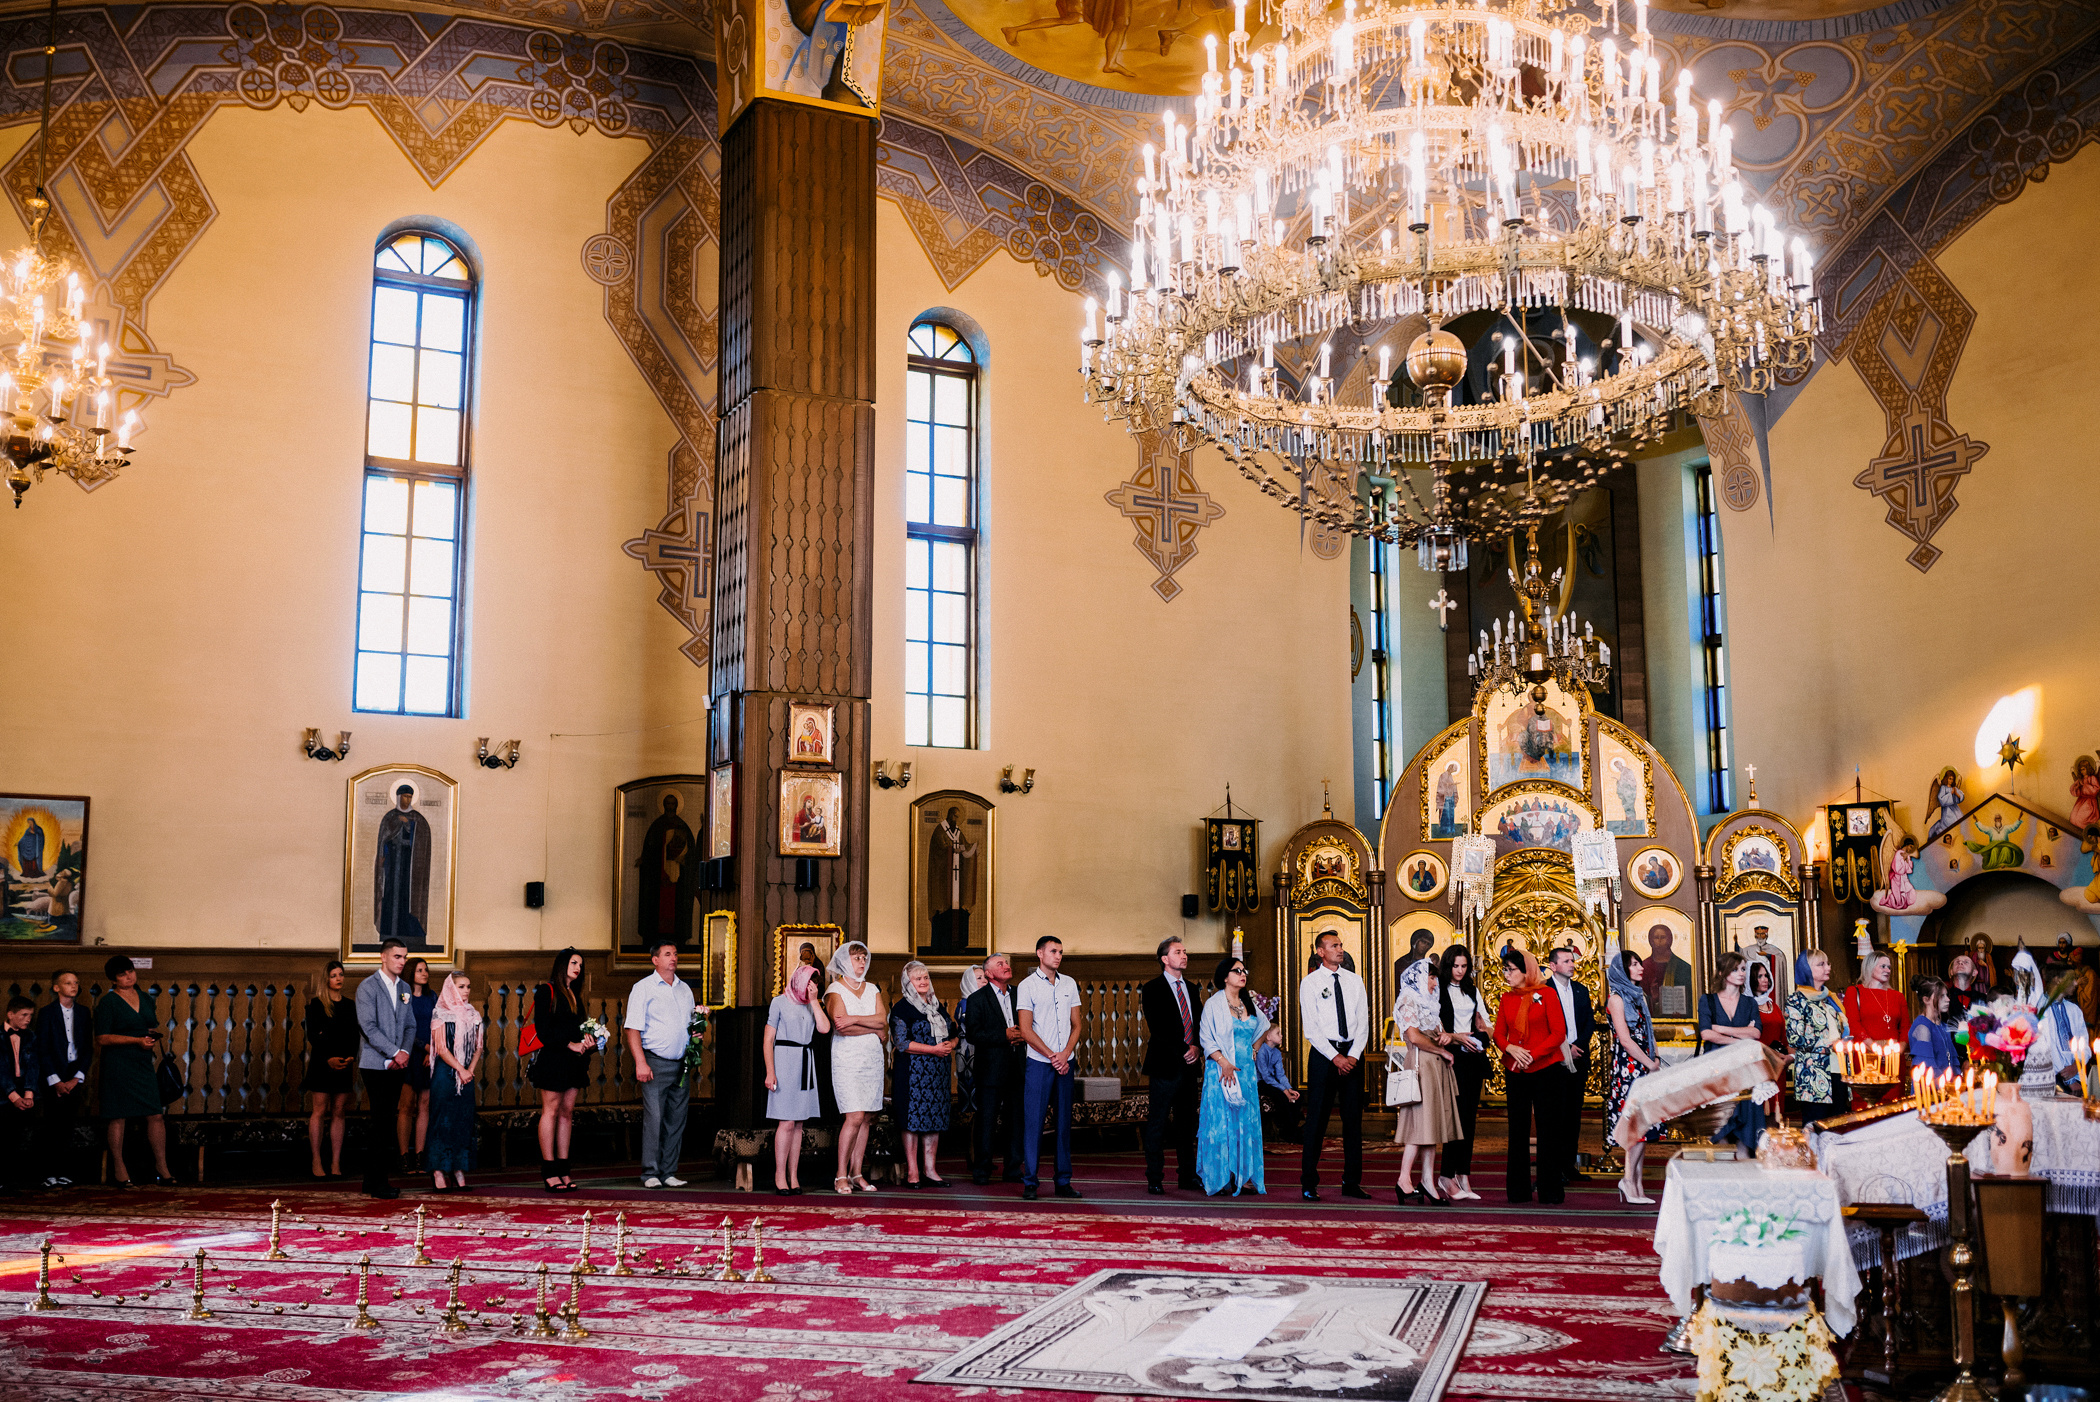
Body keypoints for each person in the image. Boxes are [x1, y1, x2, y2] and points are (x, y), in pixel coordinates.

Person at [1297, 930, 1370, 1202]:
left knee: (1353, 1122)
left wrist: (1352, 1055)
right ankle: (1309, 1183)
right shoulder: (1311, 982)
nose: (1340, 949)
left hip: (1352, 1054)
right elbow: (1312, 1028)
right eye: (1334, 946)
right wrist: (1335, 1057)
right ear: (1320, 951)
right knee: (1316, 1120)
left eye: (1341, 945)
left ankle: (1351, 1182)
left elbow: (1363, 1022)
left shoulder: (1355, 981)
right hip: (1323, 1056)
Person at [1493, 945, 1567, 1205]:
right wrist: (1511, 1048)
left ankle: (1550, 1191)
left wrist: (1532, 1054)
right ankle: (1518, 1191)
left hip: (1545, 1069)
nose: (1506, 974)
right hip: (1515, 1071)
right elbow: (1499, 1033)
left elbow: (1559, 1034)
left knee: (1548, 1130)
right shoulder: (1506, 998)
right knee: (1517, 1130)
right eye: (1504, 969)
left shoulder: (1547, 994)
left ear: (1527, 972)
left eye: (1510, 970)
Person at [95, 955, 174, 1188]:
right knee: (118, 1116)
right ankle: (120, 1170)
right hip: (118, 1062)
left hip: (142, 1061)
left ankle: (163, 1168)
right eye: (122, 974)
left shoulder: (144, 997)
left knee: (155, 1114)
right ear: (114, 979)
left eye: (130, 971)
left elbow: (151, 1024)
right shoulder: (108, 1002)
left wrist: (150, 1036)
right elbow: (102, 1037)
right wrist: (136, 1040)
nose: (128, 976)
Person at [1016, 934, 1085, 1201]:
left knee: (1064, 1123)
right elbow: (1025, 1029)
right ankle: (1030, 1181)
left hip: (1065, 1062)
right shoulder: (1027, 986)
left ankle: (1063, 1181)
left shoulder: (1069, 983)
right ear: (1039, 954)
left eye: (1061, 952)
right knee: (1033, 1123)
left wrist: (1065, 1054)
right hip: (1039, 1063)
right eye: (1053, 951)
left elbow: (1076, 1024)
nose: (1058, 956)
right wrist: (1052, 1056)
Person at [625, 937, 697, 1189]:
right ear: (655, 960)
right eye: (667, 954)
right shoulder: (643, 988)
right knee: (654, 1119)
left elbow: (690, 1024)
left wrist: (696, 1032)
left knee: (676, 1118)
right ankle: (650, 1172)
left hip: (681, 1063)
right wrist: (640, 1063)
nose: (673, 958)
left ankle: (669, 1171)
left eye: (675, 953)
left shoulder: (684, 989)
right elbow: (632, 1028)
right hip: (654, 1062)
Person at [1195, 955, 1267, 1196]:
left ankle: (1244, 1176)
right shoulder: (1214, 1004)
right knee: (1222, 1124)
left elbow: (1264, 1027)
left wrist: (1255, 1049)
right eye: (1237, 971)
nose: (1242, 974)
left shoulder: (1249, 1002)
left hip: (1246, 1073)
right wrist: (1223, 1062)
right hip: (1222, 1072)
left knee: (1245, 1123)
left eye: (1244, 970)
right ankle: (1221, 1175)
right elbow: (1206, 1038)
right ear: (1225, 977)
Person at [1391, 957, 1460, 1205]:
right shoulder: (1408, 1000)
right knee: (1418, 1127)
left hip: (1434, 1067)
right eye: (1431, 978)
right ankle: (1403, 1180)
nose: (1434, 983)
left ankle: (1428, 1183)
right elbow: (1413, 1036)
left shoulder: (1430, 1003)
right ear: (1419, 977)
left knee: (1432, 1129)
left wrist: (1445, 1039)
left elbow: (1435, 1032)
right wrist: (1441, 1050)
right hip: (1421, 1065)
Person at [1140, 935, 1204, 1195]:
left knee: (1187, 1124)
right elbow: (1158, 1026)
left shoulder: (1191, 988)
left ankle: (1186, 1175)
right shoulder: (1152, 988)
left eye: (1185, 951)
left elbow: (1198, 1022)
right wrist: (1183, 1049)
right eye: (1178, 952)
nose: (1184, 955)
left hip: (1190, 1066)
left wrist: (1197, 1047)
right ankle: (1154, 1176)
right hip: (1165, 1064)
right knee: (1157, 1123)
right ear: (1165, 959)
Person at [356, 937, 417, 1199]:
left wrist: (403, 1053)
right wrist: (393, 1052)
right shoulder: (367, 987)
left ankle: (372, 1181)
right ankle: (379, 1183)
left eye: (404, 957)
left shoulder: (404, 987)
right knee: (381, 1122)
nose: (402, 962)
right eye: (397, 957)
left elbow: (410, 1025)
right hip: (374, 1063)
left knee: (386, 1121)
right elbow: (368, 1027)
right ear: (383, 957)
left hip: (397, 1063)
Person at [825, 940, 887, 1194]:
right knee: (854, 1116)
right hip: (848, 1058)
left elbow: (883, 1021)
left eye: (864, 957)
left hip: (872, 1057)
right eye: (856, 958)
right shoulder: (834, 989)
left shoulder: (872, 988)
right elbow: (843, 1027)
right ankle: (841, 1175)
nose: (861, 962)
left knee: (867, 1118)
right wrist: (870, 1026)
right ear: (843, 961)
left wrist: (857, 1019)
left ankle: (857, 1173)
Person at [530, 948, 593, 1194]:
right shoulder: (547, 990)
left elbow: (576, 1028)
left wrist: (587, 1040)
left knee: (567, 1112)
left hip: (575, 1061)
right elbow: (543, 1031)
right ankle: (549, 1171)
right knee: (552, 1110)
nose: (577, 967)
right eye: (573, 962)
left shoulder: (574, 993)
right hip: (554, 1058)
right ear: (562, 964)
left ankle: (564, 1169)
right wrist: (570, 1044)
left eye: (580, 964)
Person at [764, 963, 832, 1194]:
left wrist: (814, 1001)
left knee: (799, 1123)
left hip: (805, 1061)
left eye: (815, 982)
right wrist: (770, 1071)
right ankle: (779, 1174)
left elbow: (824, 1029)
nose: (811, 985)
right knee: (786, 1121)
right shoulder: (779, 1002)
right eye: (809, 980)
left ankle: (794, 1175)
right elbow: (768, 1040)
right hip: (784, 1061)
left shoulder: (811, 1005)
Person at [961, 952, 1027, 1184]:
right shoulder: (977, 999)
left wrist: (1022, 1035)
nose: (1007, 966)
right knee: (986, 1120)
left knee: (1016, 1120)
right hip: (990, 1068)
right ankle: (982, 1170)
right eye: (1000, 964)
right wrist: (1004, 1035)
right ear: (988, 973)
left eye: (1007, 963)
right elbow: (973, 1034)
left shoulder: (1021, 994)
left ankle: (1012, 1169)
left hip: (1017, 1066)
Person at [892, 960, 957, 1188]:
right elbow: (901, 1042)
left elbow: (955, 1032)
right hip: (912, 1073)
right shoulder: (902, 1008)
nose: (923, 982)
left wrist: (950, 1044)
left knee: (933, 1120)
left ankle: (930, 1170)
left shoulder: (937, 1007)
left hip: (937, 1074)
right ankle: (913, 1171)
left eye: (926, 978)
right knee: (912, 1121)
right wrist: (934, 1049)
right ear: (908, 982)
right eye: (918, 979)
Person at [1603, 950, 1662, 1205]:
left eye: (1639, 963)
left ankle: (1636, 1184)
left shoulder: (1639, 997)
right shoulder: (1616, 998)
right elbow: (1625, 1040)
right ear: (1622, 970)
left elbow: (1648, 1030)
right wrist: (1649, 1063)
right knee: (1636, 1127)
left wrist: (1656, 1056)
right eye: (1634, 964)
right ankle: (1628, 1180)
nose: (1640, 967)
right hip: (1630, 1068)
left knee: (1644, 1125)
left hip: (1644, 1065)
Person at [1434, 947, 1491, 1201]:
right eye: (1456, 966)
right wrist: (1457, 1038)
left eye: (1464, 966)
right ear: (1448, 966)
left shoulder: (1472, 989)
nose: (1460, 971)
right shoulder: (1437, 990)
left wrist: (1477, 1037)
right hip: (1450, 1058)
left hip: (1473, 1058)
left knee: (1469, 1119)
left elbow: (1487, 1025)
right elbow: (1434, 1028)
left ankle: (1463, 1174)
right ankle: (1446, 1176)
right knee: (1452, 1119)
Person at [1698, 951, 1766, 1153]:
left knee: (1746, 1119)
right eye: (1735, 969)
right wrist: (1738, 1039)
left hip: (1744, 1068)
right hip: (1717, 1069)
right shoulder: (1708, 1000)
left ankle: (1745, 1168)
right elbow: (1706, 1034)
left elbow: (1755, 1033)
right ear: (1721, 972)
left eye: (1743, 969)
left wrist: (1720, 1028)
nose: (1741, 973)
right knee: (1721, 1123)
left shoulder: (1750, 1003)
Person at [34, 970, 91, 1189]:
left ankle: (64, 1171)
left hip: (74, 1075)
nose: (74, 986)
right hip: (53, 1075)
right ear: (57, 987)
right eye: (68, 983)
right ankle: (48, 1172)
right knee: (52, 1125)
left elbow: (87, 1048)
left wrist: (77, 1078)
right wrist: (55, 1080)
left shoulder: (84, 1012)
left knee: (68, 1126)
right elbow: (43, 1048)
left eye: (76, 982)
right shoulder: (47, 1013)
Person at [1543, 944, 1596, 1181]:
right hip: (1555, 1060)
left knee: (1574, 1114)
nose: (1572, 965)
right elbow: (1544, 1027)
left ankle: (1569, 1165)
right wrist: (1565, 1048)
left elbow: (1589, 1022)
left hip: (1579, 1057)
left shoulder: (1581, 990)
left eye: (1572, 961)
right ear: (1553, 966)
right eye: (1566, 961)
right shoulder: (1543, 991)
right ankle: (1554, 1167)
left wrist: (1578, 1046)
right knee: (1556, 1114)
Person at [426, 972, 482, 1192]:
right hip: (446, 1074)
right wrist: (460, 1069)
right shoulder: (440, 1013)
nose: (466, 991)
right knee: (442, 1121)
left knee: (462, 1120)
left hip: (466, 1074)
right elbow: (441, 1049)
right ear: (451, 988)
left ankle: (458, 1168)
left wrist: (469, 1070)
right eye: (461, 986)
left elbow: (478, 1047)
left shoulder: (473, 1014)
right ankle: (438, 1170)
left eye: (468, 986)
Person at [304, 959, 359, 1180]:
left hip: (344, 1063)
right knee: (319, 1110)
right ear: (326, 979)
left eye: (341, 975)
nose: (338, 979)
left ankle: (336, 1161)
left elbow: (354, 1034)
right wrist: (329, 1058)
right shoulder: (316, 1005)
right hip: (322, 1063)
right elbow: (314, 1036)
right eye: (334, 975)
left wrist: (350, 1057)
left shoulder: (350, 1005)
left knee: (339, 1110)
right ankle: (316, 1159)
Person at [1785, 950, 1850, 1124]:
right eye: (1821, 964)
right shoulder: (1797, 1000)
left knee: (1838, 1127)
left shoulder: (1831, 1000)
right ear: (1806, 969)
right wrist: (1830, 1044)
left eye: (1827, 963)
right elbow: (1794, 1038)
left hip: (1839, 1070)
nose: (1827, 967)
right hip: (1814, 1074)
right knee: (1816, 1128)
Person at [398, 957, 436, 1174]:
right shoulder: (404, 996)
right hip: (409, 1054)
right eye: (420, 970)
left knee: (424, 1105)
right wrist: (425, 1048)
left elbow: (438, 1025)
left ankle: (420, 1155)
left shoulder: (432, 997)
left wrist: (433, 1052)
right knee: (406, 1106)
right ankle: (404, 1156)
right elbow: (402, 1027)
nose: (425, 974)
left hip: (429, 1056)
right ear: (411, 973)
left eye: (426, 970)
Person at [1, 996, 41, 1195]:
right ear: (10, 1014)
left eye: (30, 1015)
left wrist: (28, 1093)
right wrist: (13, 1096)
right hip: (4, 1093)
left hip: (24, 1089)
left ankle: (17, 1179)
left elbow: (34, 1065)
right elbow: (0, 1070)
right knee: (4, 1137)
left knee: (21, 1136)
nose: (28, 1019)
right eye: (24, 1015)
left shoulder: (31, 1037)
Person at [1251, 1021, 1301, 1140]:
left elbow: (1281, 1075)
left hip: (1272, 1082)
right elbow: (1265, 1077)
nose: (1281, 1035)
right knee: (1282, 1097)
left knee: (1298, 1097)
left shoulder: (1277, 1053)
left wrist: (1289, 1088)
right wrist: (1284, 1091)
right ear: (1268, 1037)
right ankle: (1288, 1131)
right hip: (1261, 1082)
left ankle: (1292, 1129)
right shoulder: (1261, 1051)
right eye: (1278, 1033)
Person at [1908, 977, 1959, 1075]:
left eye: (1947, 995)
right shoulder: (1922, 1027)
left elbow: (1952, 1061)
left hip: (1946, 1086)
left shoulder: (1942, 1025)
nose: (1948, 999)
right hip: (1930, 1088)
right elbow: (1927, 1071)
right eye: (1941, 996)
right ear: (1926, 1000)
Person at [1748, 962, 1786, 1051]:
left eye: (1766, 976)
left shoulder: (1773, 1006)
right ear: (1751, 979)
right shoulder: (1746, 1007)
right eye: (1759, 976)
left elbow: (1784, 1037)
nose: (1765, 980)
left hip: (1778, 1059)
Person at [1946, 953, 1985, 1023]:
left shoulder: (1983, 999)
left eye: (1966, 962)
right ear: (1951, 971)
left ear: (1974, 972)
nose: (1960, 963)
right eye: (1957, 962)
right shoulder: (1943, 997)